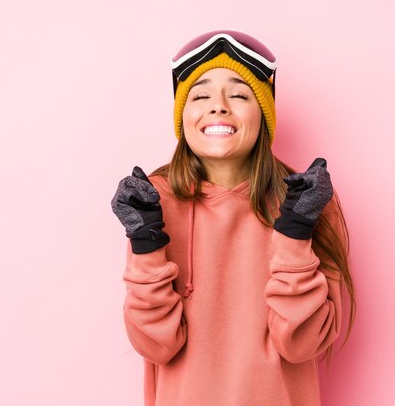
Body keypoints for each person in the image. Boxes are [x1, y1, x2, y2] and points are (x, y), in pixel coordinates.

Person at [111, 30, 356, 406]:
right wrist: (146, 242)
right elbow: (155, 344)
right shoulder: (151, 202)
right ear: (183, 115)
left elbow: (301, 344)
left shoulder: (307, 201)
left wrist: (294, 232)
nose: (218, 106)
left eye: (239, 94)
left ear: (263, 113)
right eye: (201, 94)